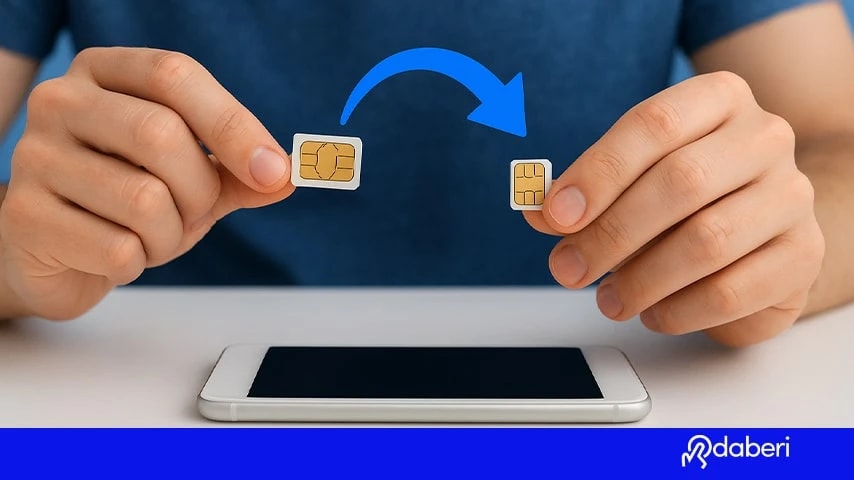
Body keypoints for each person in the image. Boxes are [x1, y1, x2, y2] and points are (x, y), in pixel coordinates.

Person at [0, 0, 851, 347]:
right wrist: (11, 256)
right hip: (159, 399)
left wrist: (764, 253)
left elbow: (837, 144)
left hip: (611, 383)